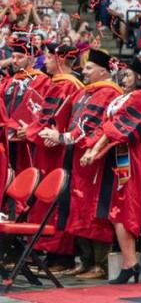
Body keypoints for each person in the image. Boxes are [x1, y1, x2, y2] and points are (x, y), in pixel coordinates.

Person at [38, 48, 123, 280]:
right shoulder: (86, 92)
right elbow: (71, 120)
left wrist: (64, 138)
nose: (83, 71)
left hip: (95, 158)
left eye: (88, 68)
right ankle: (84, 262)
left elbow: (93, 125)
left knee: (95, 209)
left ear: (103, 71)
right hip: (78, 156)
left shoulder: (108, 94)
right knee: (78, 207)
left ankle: (100, 265)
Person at [79, 57, 141, 284]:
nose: (124, 78)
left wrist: (94, 150)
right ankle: (129, 263)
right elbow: (105, 126)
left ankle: (130, 263)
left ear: (140, 78)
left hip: (128, 158)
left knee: (124, 209)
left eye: (128, 75)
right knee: (115, 211)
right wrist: (91, 148)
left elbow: (118, 128)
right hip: (114, 156)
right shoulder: (124, 97)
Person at [23, 43, 84, 265]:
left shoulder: (67, 86)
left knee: (56, 200)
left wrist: (29, 131)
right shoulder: (58, 84)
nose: (44, 61)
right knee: (44, 199)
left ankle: (58, 254)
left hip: (58, 151)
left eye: (49, 57)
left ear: (59, 60)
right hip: (48, 149)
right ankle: (46, 251)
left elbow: (54, 120)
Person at [0, 37, 51, 175]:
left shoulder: (42, 80)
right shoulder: (9, 80)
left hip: (25, 136)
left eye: (20, 57)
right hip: (5, 135)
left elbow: (40, 109)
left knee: (24, 174)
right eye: (13, 57)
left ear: (30, 58)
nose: (15, 61)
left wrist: (29, 129)